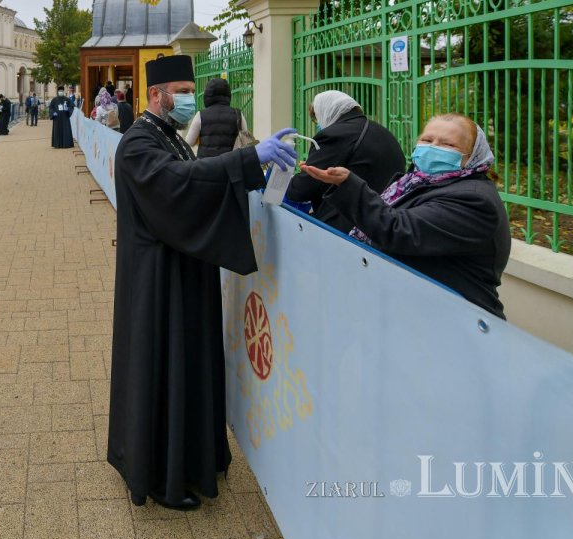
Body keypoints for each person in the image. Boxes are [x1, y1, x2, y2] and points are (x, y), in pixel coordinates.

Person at [108, 54, 299, 511]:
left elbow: (195, 182)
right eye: (182, 90)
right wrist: (248, 158)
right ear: (156, 95)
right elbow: (179, 181)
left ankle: (190, 461)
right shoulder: (137, 143)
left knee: (186, 365)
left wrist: (252, 170)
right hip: (157, 280)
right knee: (164, 365)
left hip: (180, 269)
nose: (190, 100)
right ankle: (159, 476)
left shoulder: (166, 134)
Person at [301, 113, 510, 318]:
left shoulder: (474, 200)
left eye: (448, 145)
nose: (433, 147)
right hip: (412, 313)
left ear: (472, 156)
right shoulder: (414, 183)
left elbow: (397, 229)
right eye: (427, 140)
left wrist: (347, 183)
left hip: (456, 323)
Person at [283, 90, 405, 231]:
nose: (318, 124)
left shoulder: (333, 135)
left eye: (316, 119)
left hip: (348, 230)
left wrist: (291, 181)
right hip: (385, 221)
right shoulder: (382, 132)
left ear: (327, 111)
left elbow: (301, 190)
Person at [183, 78, 245, 159]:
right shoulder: (238, 114)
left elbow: (189, 142)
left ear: (207, 95)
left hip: (205, 166)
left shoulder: (200, 115)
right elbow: (245, 140)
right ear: (228, 95)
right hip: (230, 165)